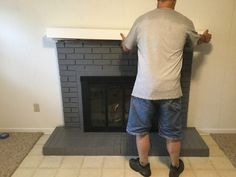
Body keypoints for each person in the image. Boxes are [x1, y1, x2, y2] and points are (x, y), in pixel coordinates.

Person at [120, 0, 212, 177]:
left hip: (143, 90)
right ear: (175, 0)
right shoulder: (185, 22)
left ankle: (144, 165)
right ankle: (175, 167)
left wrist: (124, 42)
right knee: (173, 134)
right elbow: (196, 41)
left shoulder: (142, 20)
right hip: (171, 90)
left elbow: (126, 47)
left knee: (141, 131)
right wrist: (203, 38)